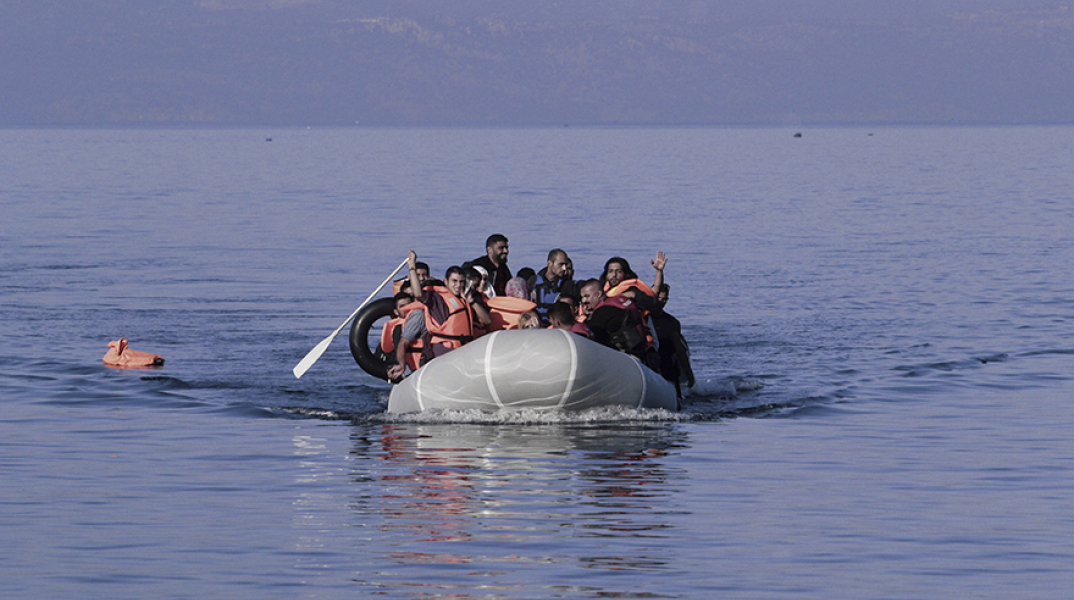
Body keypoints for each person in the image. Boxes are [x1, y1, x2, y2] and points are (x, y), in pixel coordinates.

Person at [387, 251, 492, 380]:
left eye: (461, 282)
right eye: (454, 281)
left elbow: (486, 321)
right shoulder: (437, 298)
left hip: (462, 354)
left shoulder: (465, 301)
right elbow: (419, 294)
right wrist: (412, 267)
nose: (458, 285)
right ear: (446, 281)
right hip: (443, 356)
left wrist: (472, 302)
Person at [578, 278, 656, 366]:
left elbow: (589, 337)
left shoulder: (602, 312)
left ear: (599, 294)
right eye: (582, 297)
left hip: (625, 359)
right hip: (641, 355)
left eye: (587, 296)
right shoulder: (621, 300)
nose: (583, 301)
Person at [650, 284, 696, 398]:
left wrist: (689, 373)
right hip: (650, 365)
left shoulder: (671, 322)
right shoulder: (642, 317)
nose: (662, 302)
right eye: (658, 298)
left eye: (665, 299)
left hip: (668, 365)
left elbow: (679, 349)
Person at [530, 248, 580, 319]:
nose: (564, 268)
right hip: (536, 323)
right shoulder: (533, 281)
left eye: (565, 265)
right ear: (550, 263)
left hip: (556, 325)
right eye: (561, 264)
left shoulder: (568, 285)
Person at [601, 252, 665, 298]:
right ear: (606, 275)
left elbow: (653, 292)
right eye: (610, 271)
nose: (614, 275)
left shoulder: (633, 290)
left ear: (626, 274)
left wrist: (659, 271)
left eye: (619, 272)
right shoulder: (601, 290)